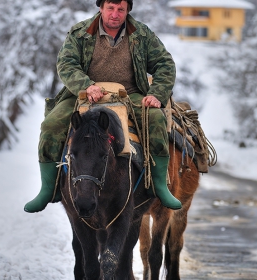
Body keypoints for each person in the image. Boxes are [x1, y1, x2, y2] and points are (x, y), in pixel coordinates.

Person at [24, 0, 182, 213]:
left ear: (127, 11)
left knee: (156, 119)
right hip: (84, 94)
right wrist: (86, 85)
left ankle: (159, 185)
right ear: (101, 8)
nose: (115, 14)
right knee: (52, 124)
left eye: (120, 9)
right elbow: (66, 64)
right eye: (110, 8)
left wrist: (157, 94)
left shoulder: (142, 35)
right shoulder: (80, 33)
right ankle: (48, 189)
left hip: (129, 93)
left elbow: (165, 64)